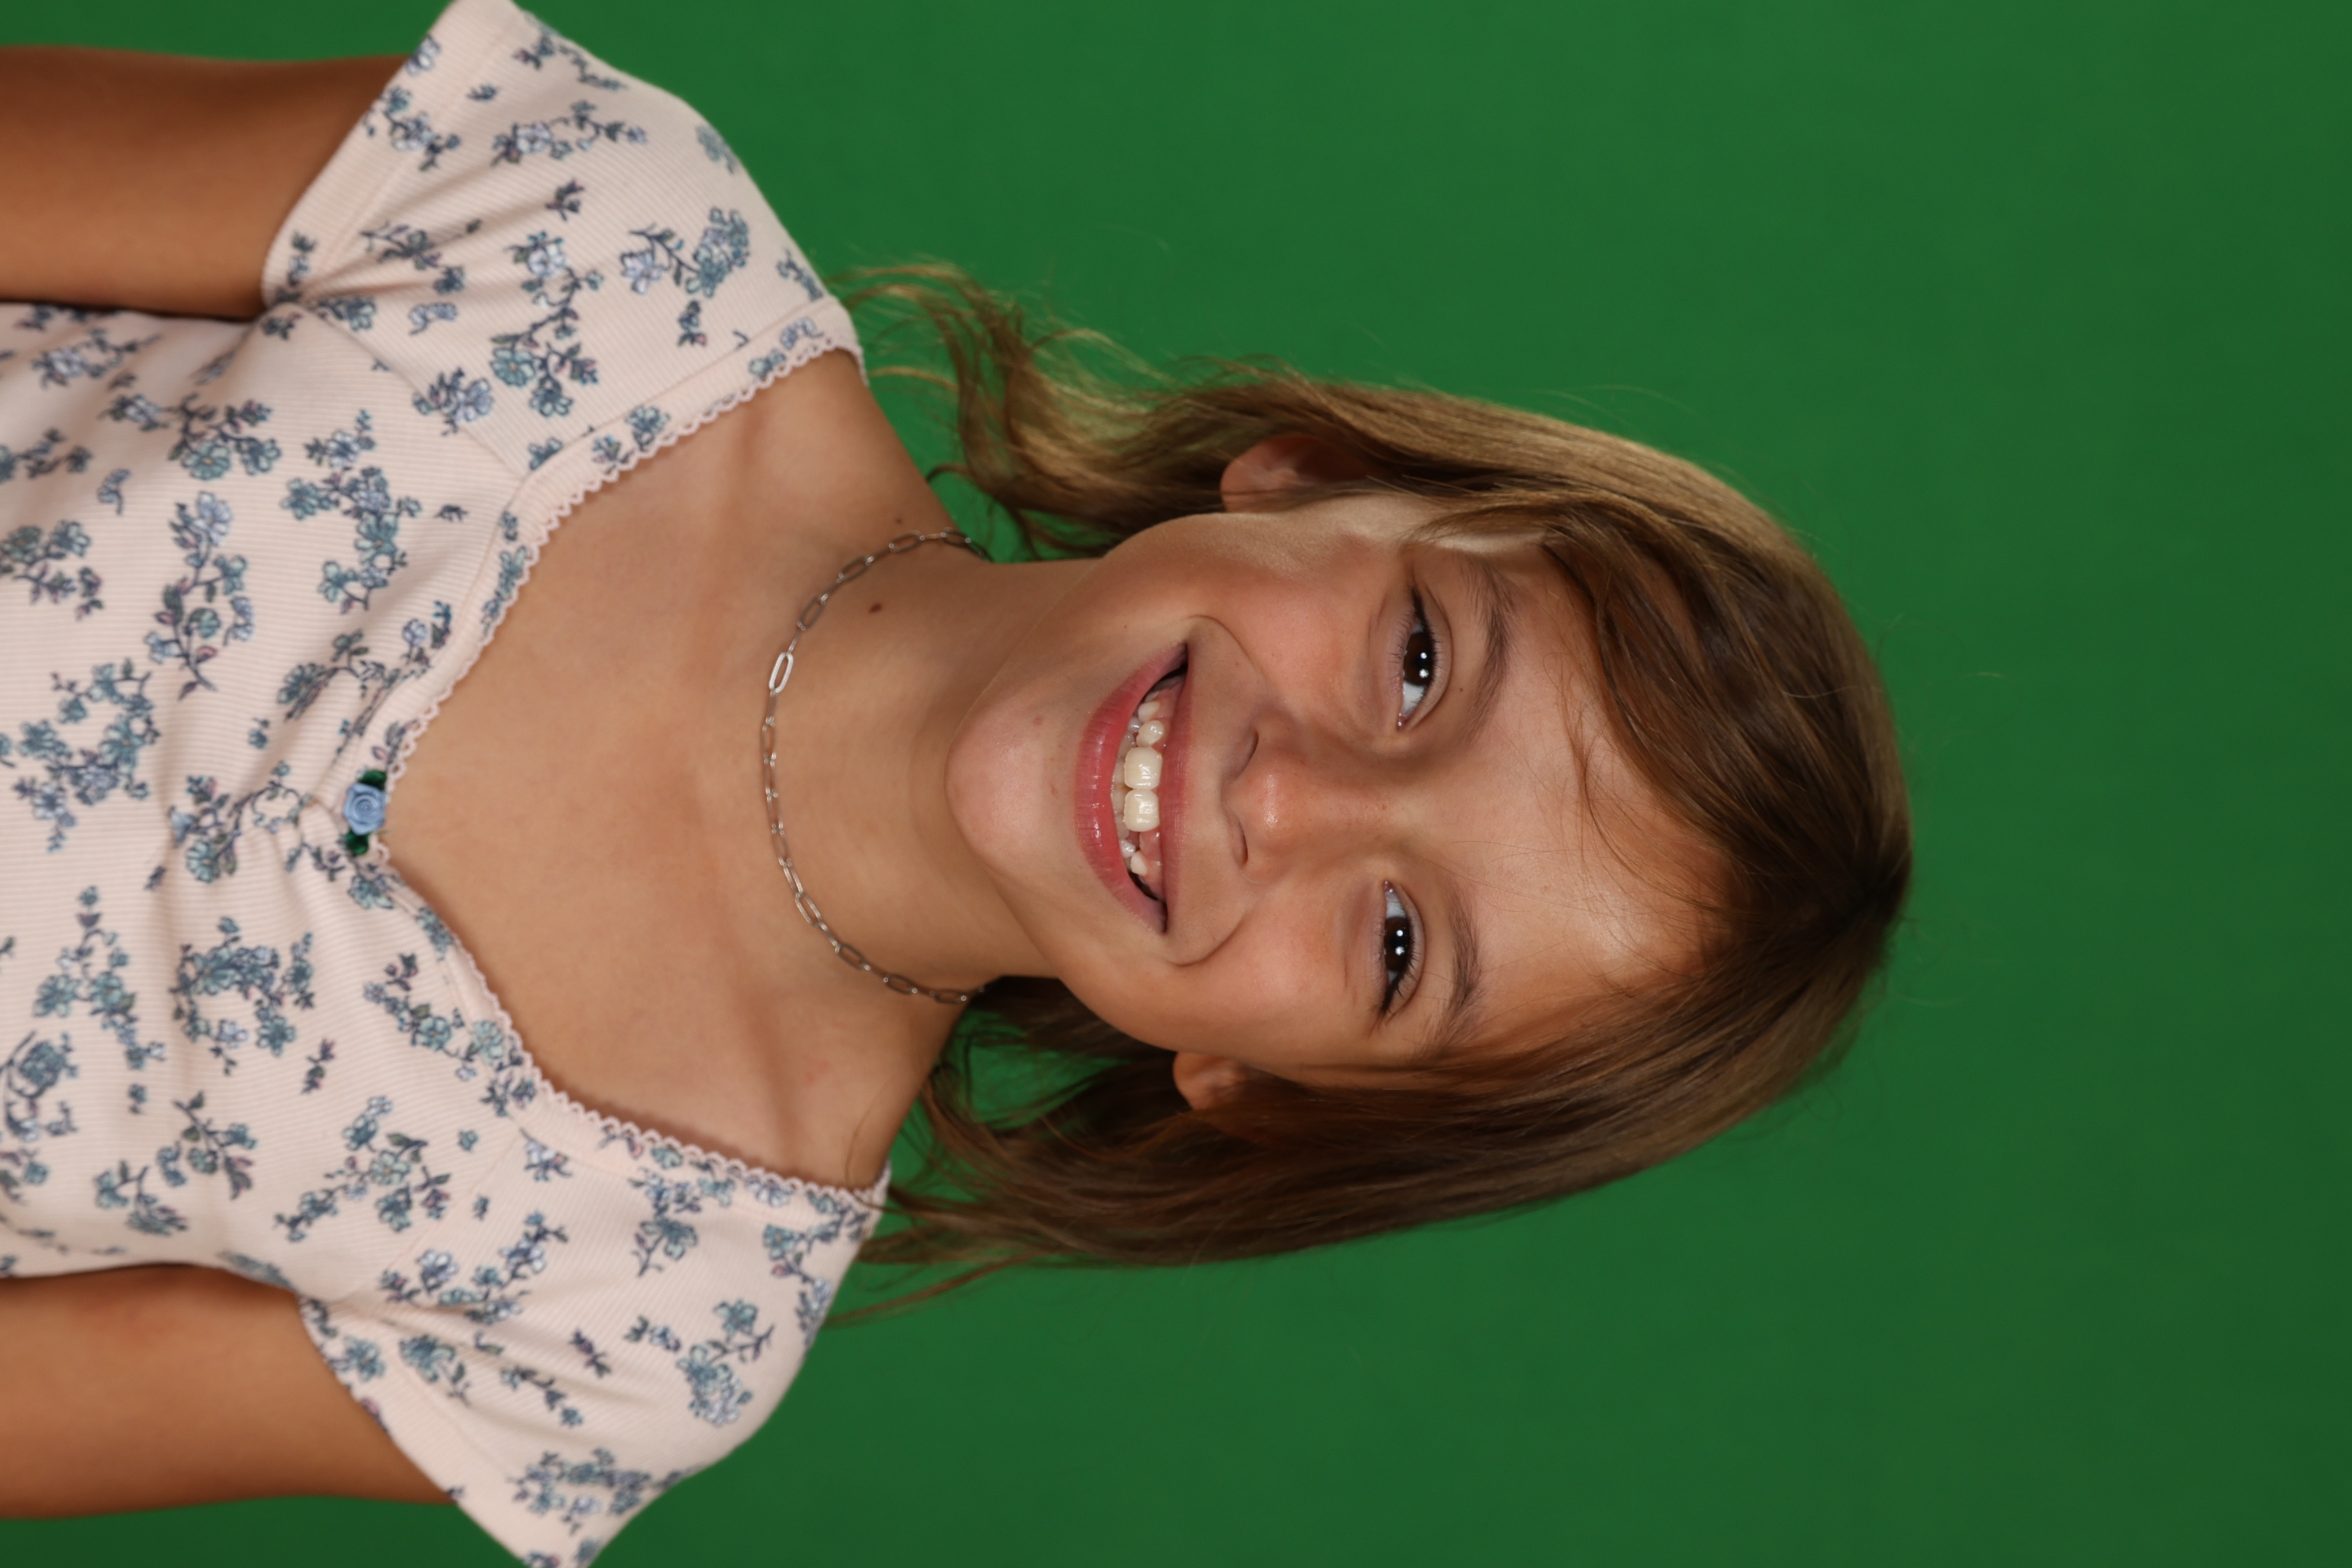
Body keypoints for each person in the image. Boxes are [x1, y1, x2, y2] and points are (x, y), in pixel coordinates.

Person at [0, 0, 1910, 1559]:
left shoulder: (637, 1325)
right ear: (1316, 474)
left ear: (1261, 1089)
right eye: (1421, 663)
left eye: (1401, 945)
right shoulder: (597, 231)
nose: (1290, 800)